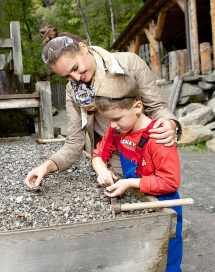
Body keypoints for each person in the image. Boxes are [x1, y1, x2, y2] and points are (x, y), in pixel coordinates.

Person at [25, 25, 181, 189]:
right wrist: (46, 166)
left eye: (76, 68)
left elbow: (157, 106)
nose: (77, 78)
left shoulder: (130, 64)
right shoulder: (72, 90)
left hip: (145, 152)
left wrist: (170, 122)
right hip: (111, 155)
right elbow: (74, 142)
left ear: (83, 48)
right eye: (68, 76)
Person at [91, 73, 182, 271]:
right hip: (139, 200)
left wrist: (129, 183)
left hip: (165, 204)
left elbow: (170, 182)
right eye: (108, 121)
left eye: (116, 119)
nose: (112, 126)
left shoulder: (158, 137)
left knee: (166, 257)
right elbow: (98, 154)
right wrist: (102, 171)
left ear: (138, 107)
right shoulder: (117, 130)